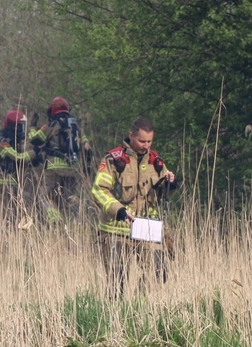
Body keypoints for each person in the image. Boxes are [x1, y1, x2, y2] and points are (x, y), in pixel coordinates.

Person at [90, 117, 177, 296]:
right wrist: (119, 211)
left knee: (158, 273)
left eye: (149, 141)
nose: (146, 145)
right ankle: (116, 317)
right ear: (131, 136)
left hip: (147, 229)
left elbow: (162, 196)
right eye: (142, 141)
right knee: (117, 283)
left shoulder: (156, 162)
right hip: (116, 230)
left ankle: (139, 310)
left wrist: (170, 184)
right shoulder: (113, 160)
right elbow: (99, 191)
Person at [29, 97, 91, 224]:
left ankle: (56, 222)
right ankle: (71, 227)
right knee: (67, 200)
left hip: (53, 168)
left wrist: (32, 126)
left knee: (45, 197)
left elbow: (34, 139)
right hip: (73, 169)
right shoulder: (76, 127)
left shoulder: (51, 125)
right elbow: (87, 149)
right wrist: (85, 169)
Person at [0, 109, 41, 219]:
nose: (21, 130)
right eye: (18, 126)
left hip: (12, 184)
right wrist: (34, 153)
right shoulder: (2, 142)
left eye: (22, 126)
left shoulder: (15, 143)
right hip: (0, 185)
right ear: (12, 126)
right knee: (1, 217)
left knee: (13, 217)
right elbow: (17, 157)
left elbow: (20, 163)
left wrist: (34, 161)